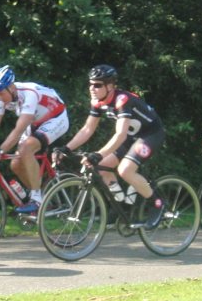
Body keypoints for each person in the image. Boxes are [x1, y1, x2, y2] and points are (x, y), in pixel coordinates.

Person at [57, 64, 166, 229]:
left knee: (125, 170)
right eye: (91, 84)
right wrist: (66, 148)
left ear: (110, 86)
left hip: (150, 134)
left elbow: (120, 134)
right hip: (131, 137)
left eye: (98, 85)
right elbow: (87, 129)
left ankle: (158, 204)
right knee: (101, 167)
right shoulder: (98, 102)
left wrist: (98, 153)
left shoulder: (122, 100)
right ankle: (121, 206)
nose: (92, 88)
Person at [0, 65, 69, 215]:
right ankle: (43, 198)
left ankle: (37, 200)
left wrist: (1, 151)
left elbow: (19, 129)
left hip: (56, 117)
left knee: (26, 148)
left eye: (2, 93)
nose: (0, 98)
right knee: (15, 164)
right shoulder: (0, 98)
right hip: (35, 122)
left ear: (11, 87)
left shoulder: (29, 93)